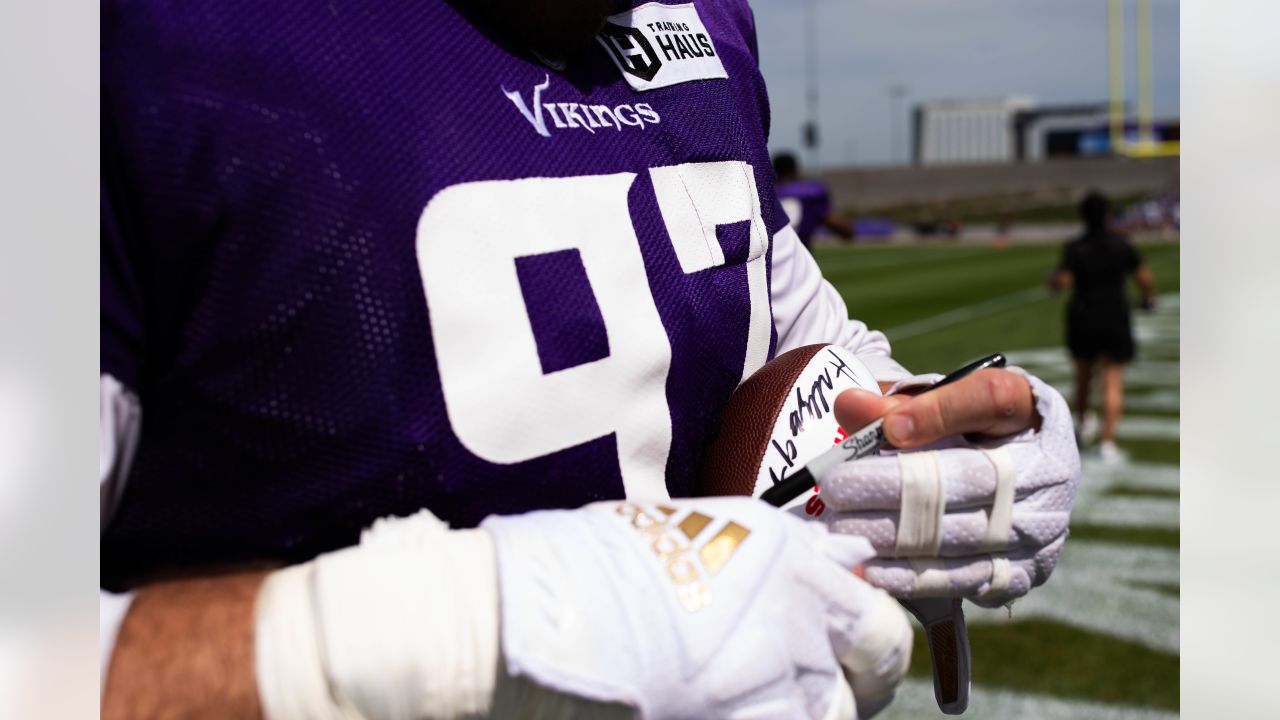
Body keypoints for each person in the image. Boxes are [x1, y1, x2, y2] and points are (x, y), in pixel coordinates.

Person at [101, 2, 1080, 718]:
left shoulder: (708, 30)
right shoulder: (128, 52)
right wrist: (442, 639)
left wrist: (924, 433)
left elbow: (792, 347)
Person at [1052, 191, 1157, 463]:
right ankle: (1107, 442)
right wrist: (1148, 299)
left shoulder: (1075, 246)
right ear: (1108, 215)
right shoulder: (1121, 244)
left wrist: (1053, 282)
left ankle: (1084, 422)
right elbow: (1144, 278)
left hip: (1084, 316)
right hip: (1114, 315)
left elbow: (1062, 281)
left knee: (1083, 376)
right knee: (1112, 380)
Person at [772, 152, 855, 247]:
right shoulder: (810, 192)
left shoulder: (767, 192)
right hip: (799, 257)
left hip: (767, 257)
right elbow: (843, 230)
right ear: (796, 170)